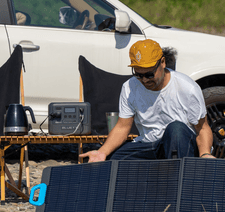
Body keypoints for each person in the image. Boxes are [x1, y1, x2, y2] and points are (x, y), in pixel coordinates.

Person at [80, 39, 215, 162]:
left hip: (181, 144)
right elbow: (122, 127)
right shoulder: (129, 87)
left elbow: (202, 128)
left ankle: (180, 180)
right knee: (112, 160)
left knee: (175, 129)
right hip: (150, 145)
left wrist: (205, 154)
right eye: (138, 74)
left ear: (162, 62)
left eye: (149, 74)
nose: (144, 80)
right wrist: (102, 152)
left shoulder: (187, 88)